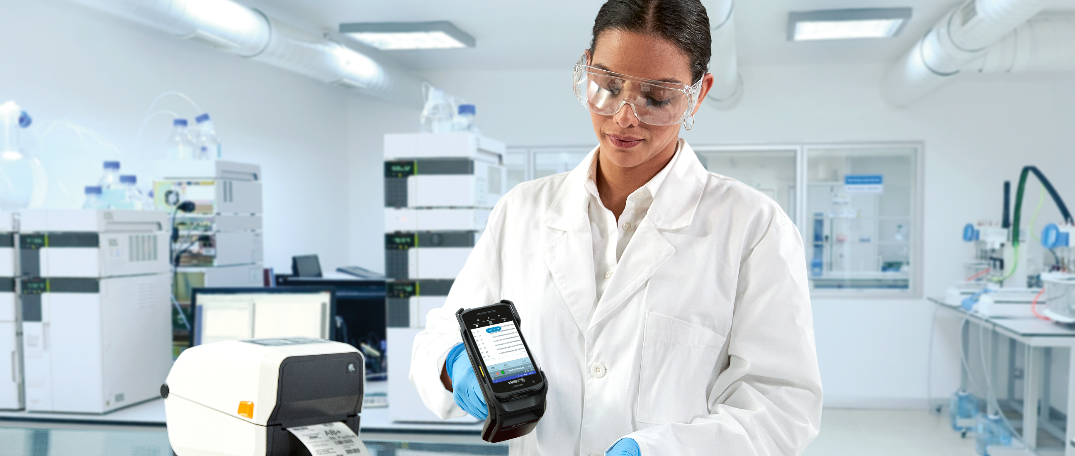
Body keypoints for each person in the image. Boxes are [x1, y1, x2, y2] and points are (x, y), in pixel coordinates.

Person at [410, 0, 823, 454]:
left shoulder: (753, 228)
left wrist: (662, 451)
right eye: (607, 85)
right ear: (586, 70)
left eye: (657, 97)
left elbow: (781, 408)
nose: (625, 115)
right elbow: (439, 338)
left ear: (698, 94)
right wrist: (457, 364)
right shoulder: (522, 211)